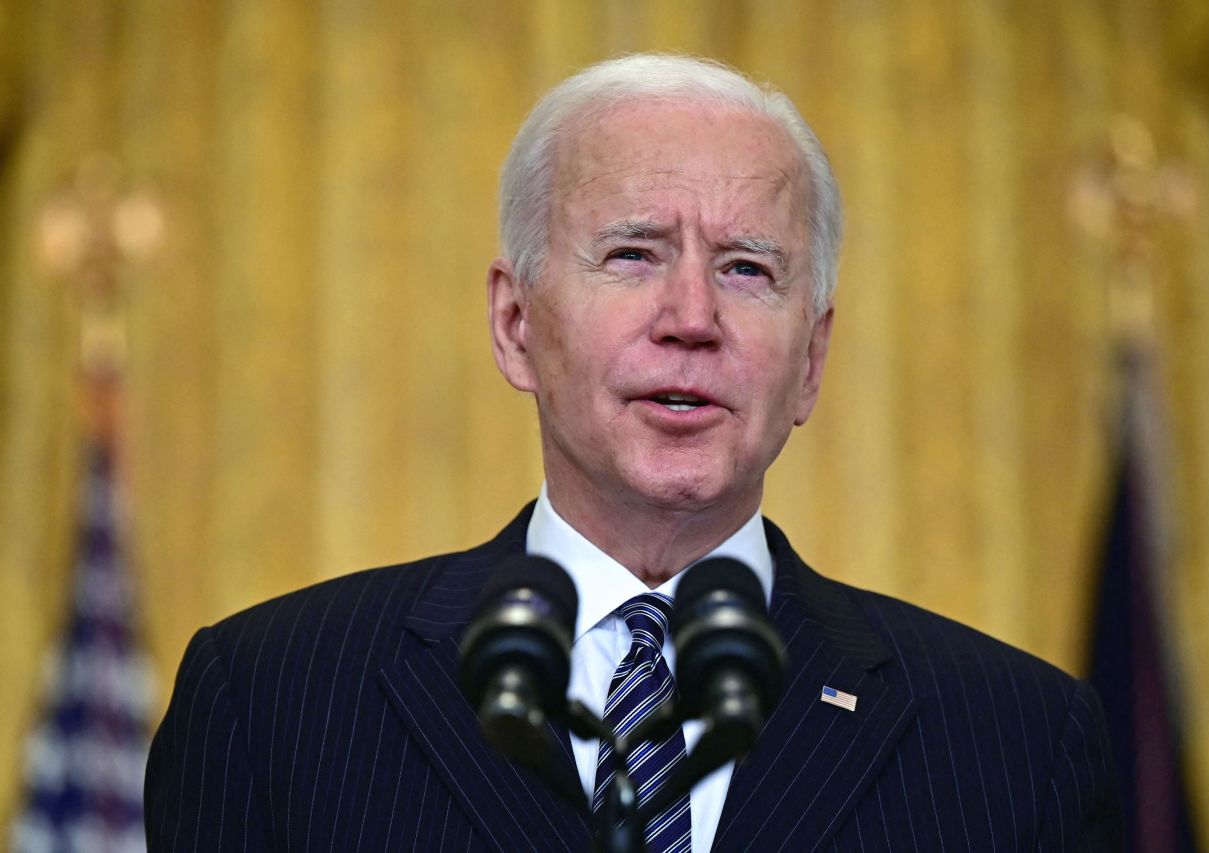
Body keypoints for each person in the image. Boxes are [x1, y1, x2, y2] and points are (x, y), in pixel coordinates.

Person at [145, 53, 1122, 852]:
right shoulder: (274, 701)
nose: (691, 318)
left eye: (745, 268)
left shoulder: (1015, 740)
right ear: (515, 321)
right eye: (632, 254)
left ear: (811, 358)